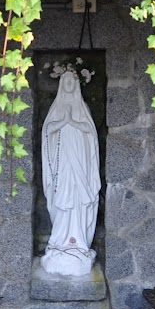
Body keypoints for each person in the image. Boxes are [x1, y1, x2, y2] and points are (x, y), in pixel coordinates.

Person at [40, 70, 100, 276]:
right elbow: (47, 132)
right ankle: (60, 242)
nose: (67, 84)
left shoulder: (82, 108)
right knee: (62, 202)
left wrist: (72, 122)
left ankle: (78, 241)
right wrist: (63, 122)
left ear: (76, 84)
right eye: (64, 81)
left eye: (71, 81)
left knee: (78, 202)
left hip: (80, 168)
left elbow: (90, 134)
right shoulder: (56, 108)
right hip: (62, 168)